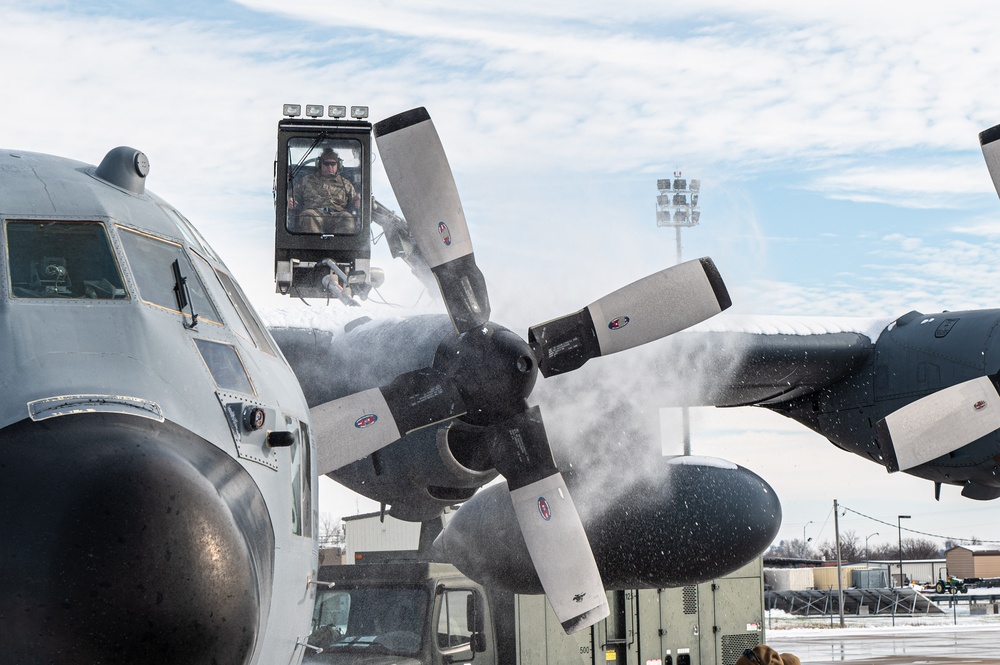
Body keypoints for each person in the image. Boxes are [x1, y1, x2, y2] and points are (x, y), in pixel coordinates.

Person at [288, 148, 361, 234]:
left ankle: (340, 246)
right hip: (314, 214)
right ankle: (314, 246)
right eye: (326, 163)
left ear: (338, 165)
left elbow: (354, 200)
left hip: (337, 215)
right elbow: (292, 194)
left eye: (333, 164)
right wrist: (289, 199)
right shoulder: (307, 180)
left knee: (347, 218)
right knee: (308, 215)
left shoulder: (346, 184)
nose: (330, 167)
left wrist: (358, 202)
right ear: (320, 164)